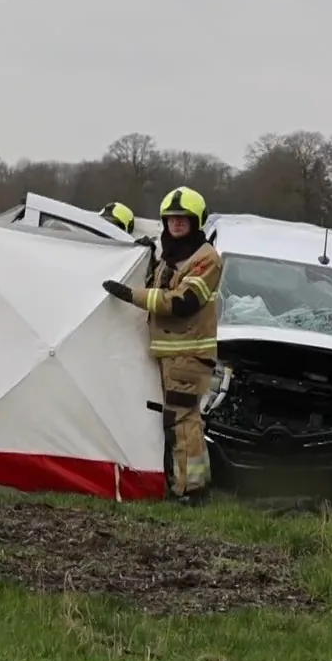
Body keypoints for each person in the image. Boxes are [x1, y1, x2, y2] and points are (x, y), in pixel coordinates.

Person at [100, 186, 221, 505]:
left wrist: (132, 296)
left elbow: (183, 301)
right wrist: (145, 258)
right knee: (178, 419)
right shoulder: (169, 254)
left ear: (197, 222)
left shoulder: (206, 258)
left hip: (189, 353)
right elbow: (161, 283)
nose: (177, 224)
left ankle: (191, 491)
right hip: (171, 351)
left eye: (184, 219)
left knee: (182, 420)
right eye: (171, 219)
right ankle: (183, 483)